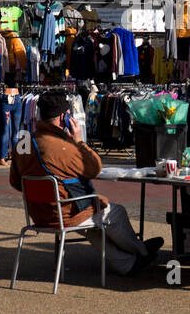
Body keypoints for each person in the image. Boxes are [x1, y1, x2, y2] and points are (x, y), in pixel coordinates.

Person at [8, 91, 162, 276]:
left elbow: (16, 182)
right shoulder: (62, 147)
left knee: (93, 228)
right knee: (115, 212)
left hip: (38, 214)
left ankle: (127, 264)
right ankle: (141, 250)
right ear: (63, 117)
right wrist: (79, 142)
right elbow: (94, 168)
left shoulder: (23, 143)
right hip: (65, 214)